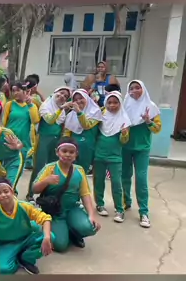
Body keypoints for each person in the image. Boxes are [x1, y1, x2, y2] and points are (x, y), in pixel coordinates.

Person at [32, 138, 101, 251]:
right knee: (60, 245)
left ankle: (74, 233)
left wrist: (91, 215)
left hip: (72, 208)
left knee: (90, 227)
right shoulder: (50, 168)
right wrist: (46, 181)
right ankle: (62, 230)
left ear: (76, 154)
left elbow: (85, 194)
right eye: (64, 151)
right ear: (57, 152)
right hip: (55, 211)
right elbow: (34, 189)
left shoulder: (79, 170)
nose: (67, 154)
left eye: (71, 152)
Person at [0, 178, 53, 275]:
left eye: (6, 191)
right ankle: (16, 256)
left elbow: (45, 218)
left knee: (50, 236)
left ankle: (26, 258)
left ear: (12, 192)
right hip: (7, 244)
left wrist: (46, 238)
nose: (3, 195)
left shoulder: (24, 206)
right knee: (5, 270)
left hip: (26, 238)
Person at [123, 80, 162, 228]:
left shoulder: (151, 107)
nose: (134, 90)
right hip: (125, 147)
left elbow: (157, 129)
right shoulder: (124, 105)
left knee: (141, 179)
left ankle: (144, 212)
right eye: (131, 88)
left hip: (142, 148)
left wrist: (148, 121)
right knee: (124, 176)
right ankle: (125, 202)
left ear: (143, 89)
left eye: (137, 87)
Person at [94, 92, 130, 223]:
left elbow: (123, 141)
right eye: (109, 102)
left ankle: (119, 209)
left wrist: (124, 134)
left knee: (116, 182)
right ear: (105, 103)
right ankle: (99, 204)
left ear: (120, 104)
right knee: (98, 181)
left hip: (115, 157)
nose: (112, 105)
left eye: (115, 102)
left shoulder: (124, 119)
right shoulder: (100, 117)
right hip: (99, 154)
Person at [31, 87, 70, 178]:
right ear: (55, 92)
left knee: (53, 167)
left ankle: (49, 187)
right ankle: (33, 187)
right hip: (43, 140)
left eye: (65, 96)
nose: (62, 96)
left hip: (56, 141)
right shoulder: (45, 106)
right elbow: (50, 120)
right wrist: (60, 109)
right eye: (61, 93)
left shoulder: (62, 112)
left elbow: (62, 127)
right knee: (39, 166)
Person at [63, 89, 102, 173]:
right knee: (70, 171)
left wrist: (79, 112)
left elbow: (86, 125)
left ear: (86, 98)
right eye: (75, 100)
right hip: (72, 147)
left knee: (82, 171)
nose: (78, 101)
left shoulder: (95, 112)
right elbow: (66, 132)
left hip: (87, 147)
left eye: (81, 98)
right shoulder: (71, 115)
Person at [3, 82, 40, 169]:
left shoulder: (32, 105)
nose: (15, 93)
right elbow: (3, 122)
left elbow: (35, 120)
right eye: (13, 91)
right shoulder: (9, 104)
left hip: (24, 141)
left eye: (17, 90)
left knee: (20, 167)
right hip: (10, 139)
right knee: (7, 166)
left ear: (25, 91)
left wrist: (30, 105)